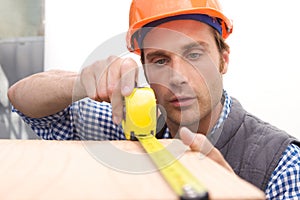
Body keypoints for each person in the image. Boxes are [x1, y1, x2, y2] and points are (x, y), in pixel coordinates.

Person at [7, 0, 300, 199]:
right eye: (160, 60)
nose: (177, 77)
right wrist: (81, 82)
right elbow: (21, 99)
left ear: (223, 60)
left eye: (195, 54)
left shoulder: (282, 164)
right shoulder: (128, 129)